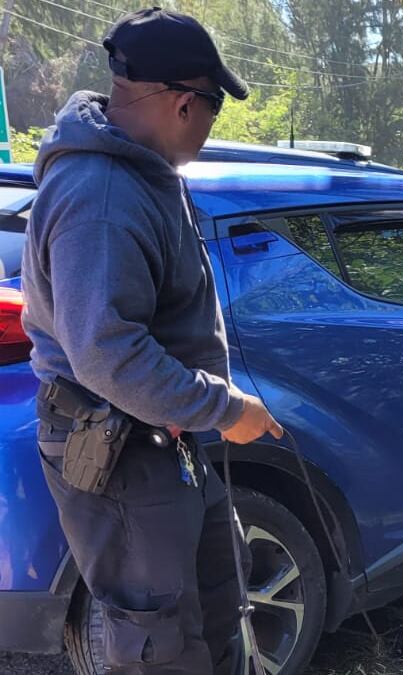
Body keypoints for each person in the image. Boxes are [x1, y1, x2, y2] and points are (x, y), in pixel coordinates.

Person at [20, 7, 283, 674]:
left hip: (162, 438)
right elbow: (108, 354)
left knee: (220, 601)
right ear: (182, 103)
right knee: (157, 644)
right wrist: (226, 409)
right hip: (117, 446)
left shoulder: (138, 170)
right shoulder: (102, 194)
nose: (212, 120)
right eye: (215, 104)